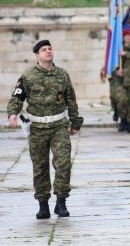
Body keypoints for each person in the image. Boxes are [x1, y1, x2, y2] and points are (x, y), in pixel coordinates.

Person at [7, 39, 83, 219]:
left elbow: (71, 99)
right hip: (37, 128)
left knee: (63, 164)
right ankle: (43, 205)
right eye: (44, 49)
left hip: (59, 126)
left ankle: (61, 202)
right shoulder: (28, 76)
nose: (48, 51)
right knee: (40, 167)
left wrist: (76, 121)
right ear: (37, 56)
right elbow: (17, 98)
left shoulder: (62, 75)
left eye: (50, 48)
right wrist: (12, 114)